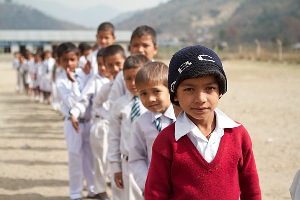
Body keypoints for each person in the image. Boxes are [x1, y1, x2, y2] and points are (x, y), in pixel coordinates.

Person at [144, 45, 262, 200]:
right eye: (189, 89)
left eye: (209, 88)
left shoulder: (238, 134)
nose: (200, 98)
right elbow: (156, 194)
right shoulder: (166, 142)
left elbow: (251, 188)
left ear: (220, 91)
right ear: (175, 94)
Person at [55, 42, 97, 200]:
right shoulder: (61, 81)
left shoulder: (86, 74)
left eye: (72, 59)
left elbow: (90, 95)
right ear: (58, 61)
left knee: (90, 157)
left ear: (78, 58)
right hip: (73, 123)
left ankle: (92, 188)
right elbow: (72, 103)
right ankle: (75, 192)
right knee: (75, 157)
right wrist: (73, 83)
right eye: (65, 60)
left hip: (89, 120)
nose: (69, 64)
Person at [69, 48, 111, 200]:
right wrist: (74, 112)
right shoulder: (95, 80)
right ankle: (101, 191)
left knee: (115, 161)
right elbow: (84, 99)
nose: (104, 68)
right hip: (100, 125)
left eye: (107, 64)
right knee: (99, 161)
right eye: (100, 64)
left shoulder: (121, 80)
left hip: (118, 127)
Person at [107, 54, 150, 200]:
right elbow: (113, 137)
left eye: (137, 78)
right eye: (128, 79)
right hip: (128, 165)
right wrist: (115, 168)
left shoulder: (154, 104)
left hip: (152, 163)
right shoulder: (119, 105)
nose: (133, 83)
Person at [128, 61, 176, 192]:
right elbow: (136, 158)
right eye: (143, 93)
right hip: (157, 189)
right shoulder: (140, 124)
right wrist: (148, 185)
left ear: (170, 90)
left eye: (156, 91)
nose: (150, 99)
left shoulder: (184, 118)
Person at [92, 44, 126, 200]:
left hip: (128, 133)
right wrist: (109, 116)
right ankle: (104, 192)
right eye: (110, 65)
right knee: (110, 165)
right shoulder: (108, 87)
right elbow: (96, 105)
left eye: (118, 63)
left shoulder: (133, 86)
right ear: (105, 67)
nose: (115, 68)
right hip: (111, 131)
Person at [108, 25, 158, 106]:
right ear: (130, 48)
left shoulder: (161, 73)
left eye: (145, 45)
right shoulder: (122, 75)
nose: (140, 50)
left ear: (155, 49)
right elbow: (113, 103)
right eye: (135, 45)